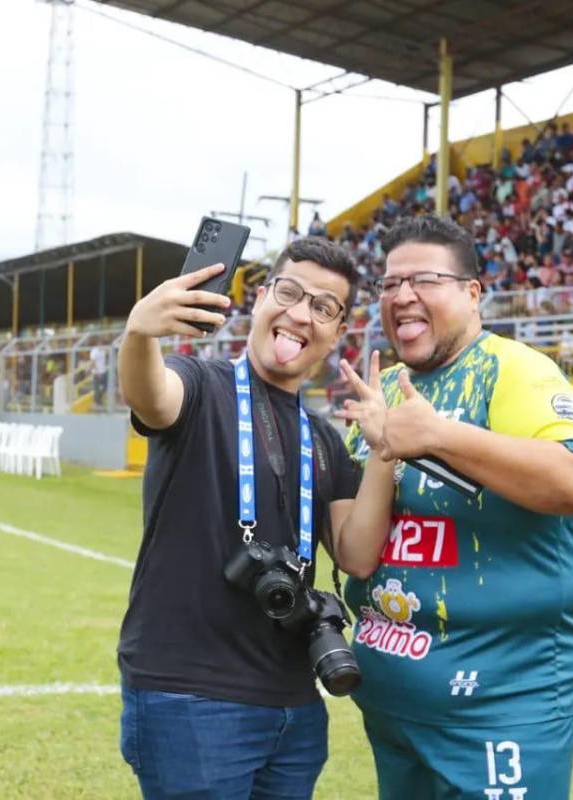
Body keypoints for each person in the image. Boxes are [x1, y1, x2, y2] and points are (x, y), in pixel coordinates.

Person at [339, 216, 573, 800]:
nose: (402, 295)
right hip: (395, 699)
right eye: (389, 284)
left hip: (501, 701)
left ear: (472, 292)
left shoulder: (513, 369)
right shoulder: (383, 390)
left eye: (424, 279)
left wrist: (439, 436)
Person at [116, 237, 381, 798]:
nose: (299, 313)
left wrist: (385, 451)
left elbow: (355, 555)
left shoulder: (324, 440)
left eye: (324, 307)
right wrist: (140, 333)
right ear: (261, 299)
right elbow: (150, 397)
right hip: (192, 698)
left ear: (337, 333)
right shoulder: (201, 385)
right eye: (288, 292)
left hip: (295, 707)